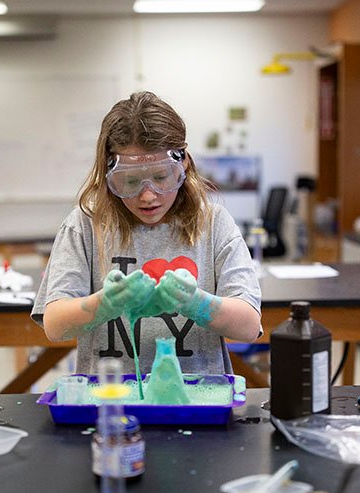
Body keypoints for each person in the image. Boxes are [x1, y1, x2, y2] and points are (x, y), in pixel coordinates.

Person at [31, 91, 262, 377]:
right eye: (130, 181)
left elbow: (249, 326)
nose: (148, 196)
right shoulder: (85, 225)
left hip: (199, 403)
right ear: (108, 173)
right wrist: (104, 304)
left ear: (184, 164)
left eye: (162, 177)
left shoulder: (213, 223)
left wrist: (195, 303)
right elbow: (55, 325)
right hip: (110, 403)